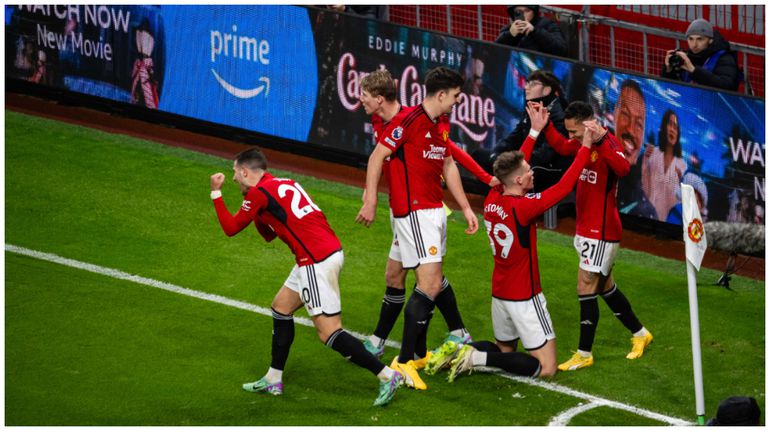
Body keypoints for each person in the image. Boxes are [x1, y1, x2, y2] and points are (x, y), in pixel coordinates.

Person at [210, 148, 403, 407]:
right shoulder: (283, 183)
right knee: (281, 307)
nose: (233, 179)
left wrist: (216, 193)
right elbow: (269, 234)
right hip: (325, 251)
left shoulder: (258, 194)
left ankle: (386, 375)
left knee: (328, 333)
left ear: (245, 172)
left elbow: (230, 228)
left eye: (235, 173)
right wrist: (257, 212)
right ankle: (273, 378)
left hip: (315, 261)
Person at [441, 102, 594, 382]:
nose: (532, 171)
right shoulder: (524, 208)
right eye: (529, 171)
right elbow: (565, 186)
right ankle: (477, 357)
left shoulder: (493, 198)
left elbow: (513, 166)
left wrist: (534, 132)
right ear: (520, 180)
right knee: (545, 367)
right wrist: (585, 146)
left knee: (505, 349)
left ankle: (461, 350)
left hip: (500, 292)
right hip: (525, 295)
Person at [358, 69, 499, 362]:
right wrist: (371, 198)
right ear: (442, 94)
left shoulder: (438, 123)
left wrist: (466, 206)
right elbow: (377, 158)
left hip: (424, 212)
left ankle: (412, 355)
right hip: (410, 213)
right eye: (457, 96)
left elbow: (449, 163)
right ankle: (401, 346)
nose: (460, 101)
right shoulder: (406, 122)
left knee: (429, 281)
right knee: (402, 275)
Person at [538, 101, 653, 371]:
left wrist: (600, 140)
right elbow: (564, 147)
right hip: (587, 228)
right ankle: (640, 334)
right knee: (604, 287)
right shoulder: (581, 142)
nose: (571, 138)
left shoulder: (608, 142)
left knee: (585, 287)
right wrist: (545, 128)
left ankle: (584, 353)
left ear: (589, 125)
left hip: (601, 231)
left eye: (575, 132)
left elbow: (623, 170)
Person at [475, 70, 572, 193]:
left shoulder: (559, 115)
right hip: (527, 159)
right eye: (527, 83)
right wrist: (497, 152)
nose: (526, 87)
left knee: (526, 172)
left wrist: (517, 163)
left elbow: (546, 154)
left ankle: (514, 206)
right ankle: (492, 203)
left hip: (549, 167)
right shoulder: (531, 108)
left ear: (547, 90)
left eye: (532, 84)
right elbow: (512, 139)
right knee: (482, 156)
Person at [613, 79, 657, 219]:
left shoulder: (645, 212)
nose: (631, 130)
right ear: (614, 115)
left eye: (639, 124)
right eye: (625, 114)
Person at [661, 18, 741, 92]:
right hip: (690, 103)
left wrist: (693, 70)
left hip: (715, 104)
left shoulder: (724, 58)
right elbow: (668, 89)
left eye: (700, 39)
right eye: (691, 39)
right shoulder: (686, 57)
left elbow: (727, 86)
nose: (694, 45)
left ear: (710, 40)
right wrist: (668, 70)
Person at [642, 109, 687, 221]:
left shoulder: (683, 166)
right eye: (670, 124)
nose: (672, 130)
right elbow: (644, 186)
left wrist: (680, 181)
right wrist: (645, 160)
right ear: (663, 127)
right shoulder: (652, 154)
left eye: (675, 127)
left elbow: (681, 202)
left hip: (668, 225)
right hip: (646, 217)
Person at [495, 5, 567, 57]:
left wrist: (535, 31)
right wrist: (510, 35)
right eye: (518, 11)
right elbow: (494, 50)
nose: (523, 15)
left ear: (534, 12)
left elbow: (561, 49)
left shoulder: (547, 24)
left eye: (527, 11)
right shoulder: (510, 28)